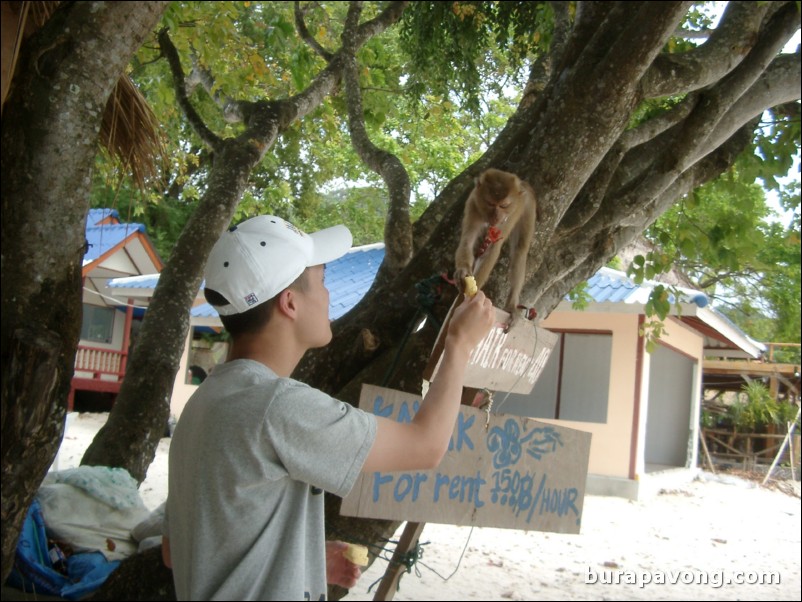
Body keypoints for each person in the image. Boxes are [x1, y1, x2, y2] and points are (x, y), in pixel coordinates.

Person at [162, 215, 494, 600]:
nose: (328, 293)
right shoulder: (278, 406)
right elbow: (425, 446)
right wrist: (459, 345)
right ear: (290, 303)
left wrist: (304, 561)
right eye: (320, 280)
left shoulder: (205, 402)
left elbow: (178, 552)